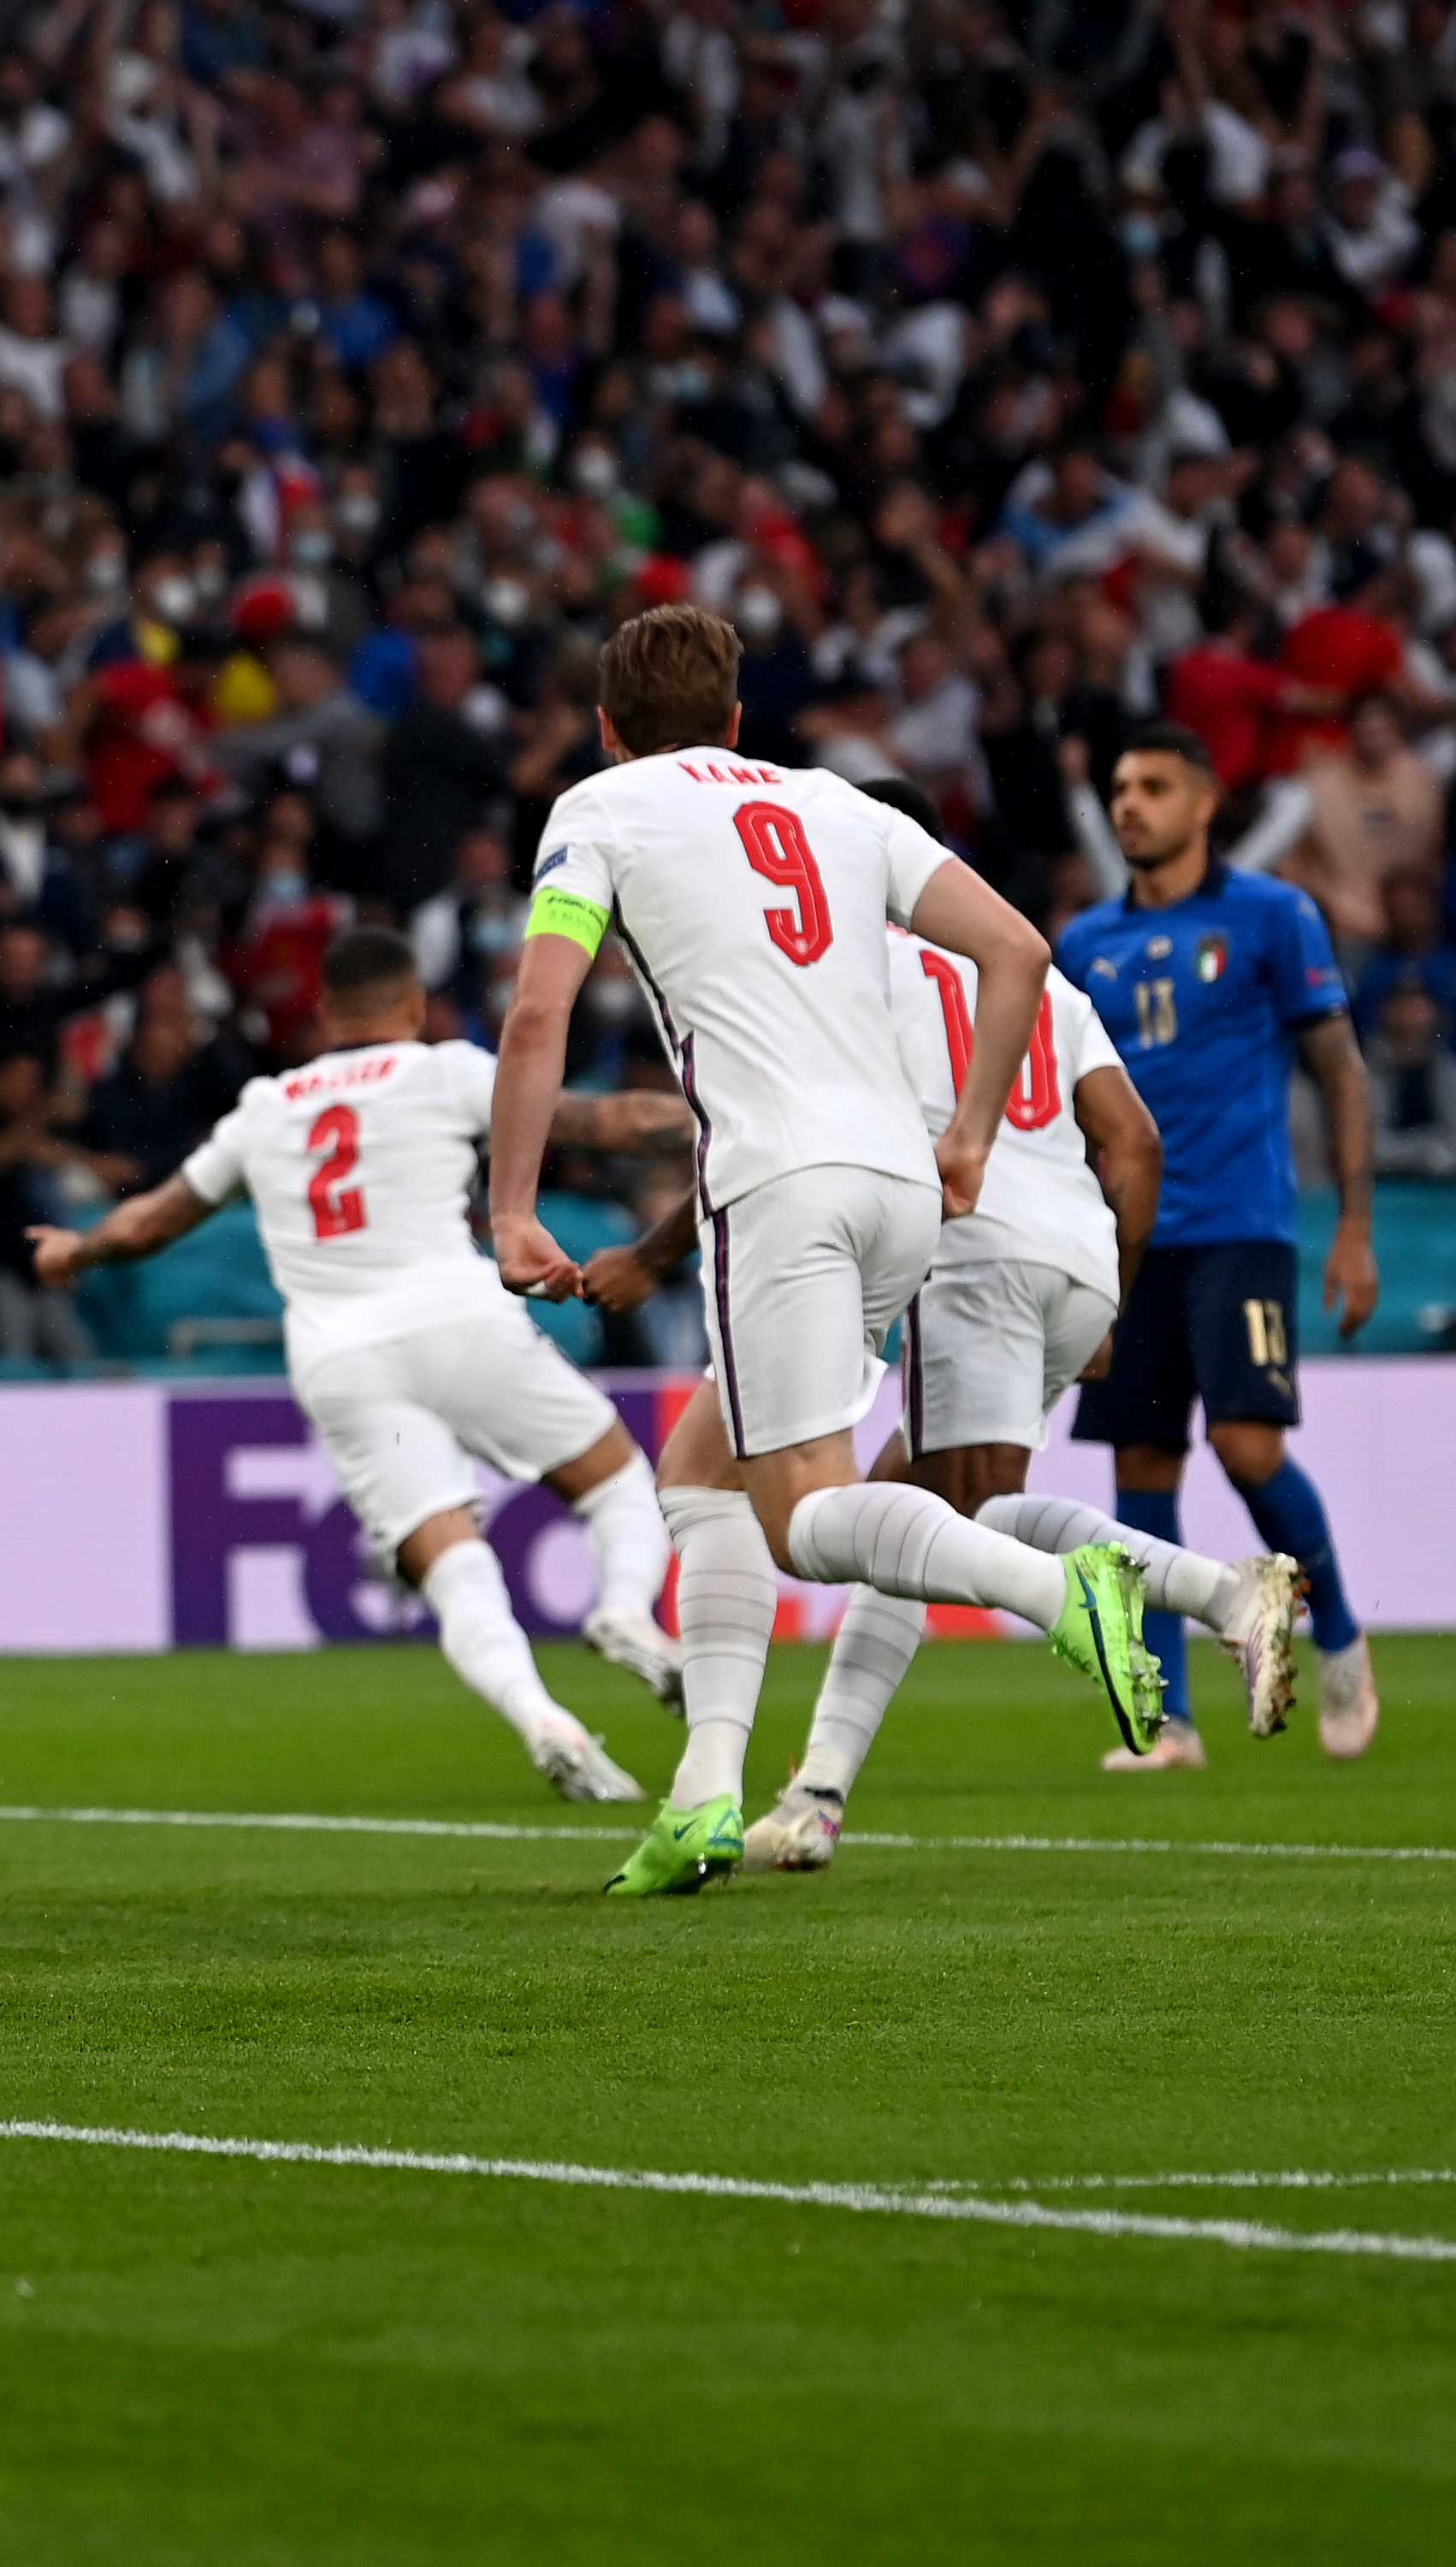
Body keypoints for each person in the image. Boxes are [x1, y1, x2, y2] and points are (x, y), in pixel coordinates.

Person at [489, 604, 1169, 1899]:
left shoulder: (599, 807)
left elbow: (537, 1010)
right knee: (700, 1473)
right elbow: (1017, 948)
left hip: (777, 1185)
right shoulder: (836, 804)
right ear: (737, 722)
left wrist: (510, 1207)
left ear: (605, 727)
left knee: (802, 1520)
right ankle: (702, 1798)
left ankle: (1057, 1593)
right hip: (896, 1188)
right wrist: (966, 1134)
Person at [585, 780, 1299, 1869]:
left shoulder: (849, 972)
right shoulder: (1041, 980)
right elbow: (1136, 1142)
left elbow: (786, 1136)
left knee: (960, 1516)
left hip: (972, 1257)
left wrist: (650, 1253)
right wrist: (1108, 1285)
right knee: (904, 1509)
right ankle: (813, 1796)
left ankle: (1219, 1593)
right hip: (1075, 1259)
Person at [32, 927, 687, 1802]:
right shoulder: (444, 1069)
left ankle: (541, 1717)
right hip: (457, 1319)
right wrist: (721, 1117)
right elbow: (602, 1122)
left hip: (340, 1356)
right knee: (615, 1485)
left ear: (324, 1013)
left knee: (450, 1563)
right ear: (414, 1006)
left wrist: (73, 1254)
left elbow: (149, 1222)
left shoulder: (268, 1104)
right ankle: (624, 1609)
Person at [1058, 726, 1382, 1764]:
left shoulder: (1273, 916)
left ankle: (1336, 1639)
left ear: (1205, 803)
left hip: (1242, 1225)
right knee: (1142, 1470)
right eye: (1118, 786)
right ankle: (1172, 1720)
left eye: (1153, 785)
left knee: (1248, 1450)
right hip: (1130, 1242)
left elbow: (1341, 1068)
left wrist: (1356, 1229)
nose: (1129, 804)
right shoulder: (1083, 946)